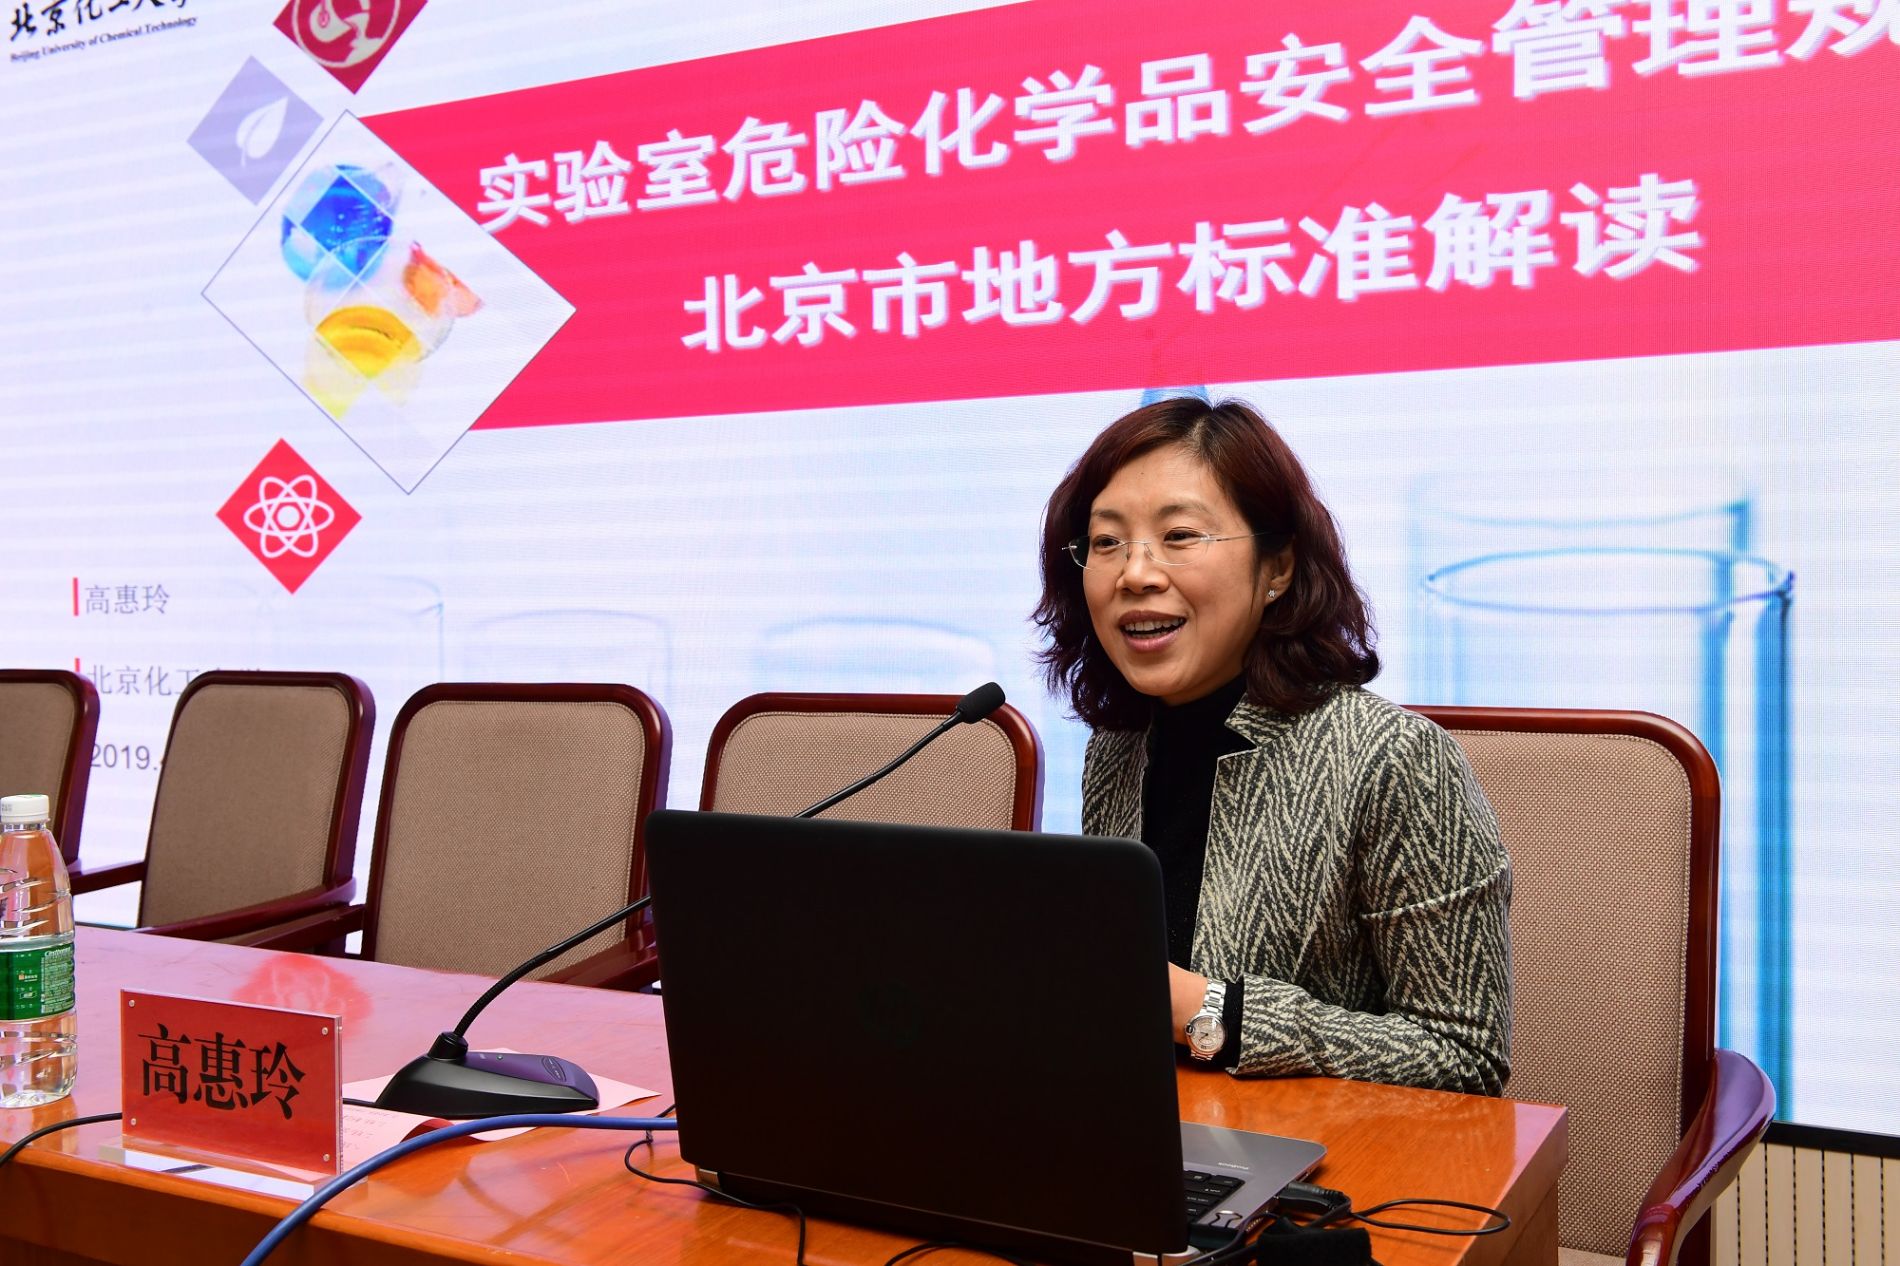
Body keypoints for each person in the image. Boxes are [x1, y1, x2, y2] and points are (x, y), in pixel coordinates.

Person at [1033, 396, 1511, 1096]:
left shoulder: (1393, 757)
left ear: (1277, 569)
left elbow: (1465, 1057)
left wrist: (1218, 1015)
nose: (1135, 573)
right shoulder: (1118, 748)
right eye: (1107, 543)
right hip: (1154, 1133)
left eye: (1180, 535)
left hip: (1326, 1156)